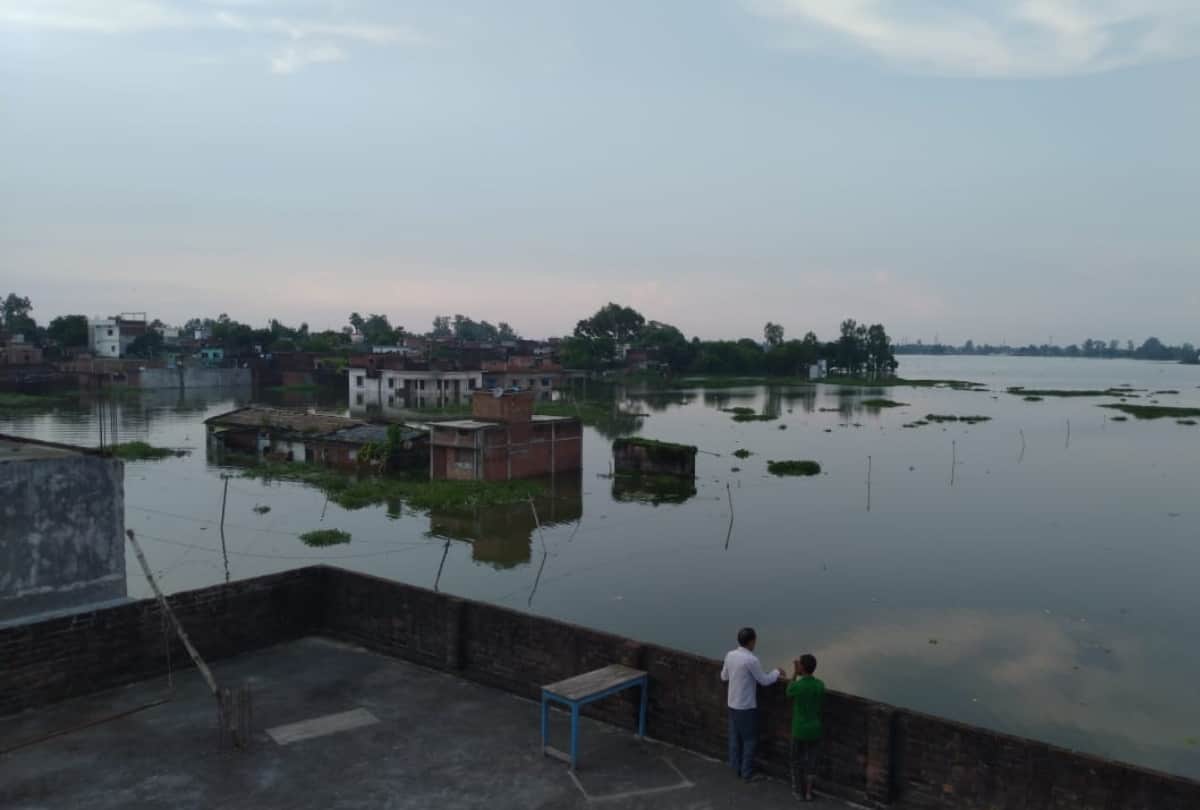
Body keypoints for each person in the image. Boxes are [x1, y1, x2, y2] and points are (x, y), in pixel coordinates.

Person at [721, 627, 786, 782]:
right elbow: (764, 680)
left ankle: (735, 767)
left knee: (735, 738)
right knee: (750, 740)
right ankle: (747, 772)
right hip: (745, 706)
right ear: (751, 641)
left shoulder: (730, 655)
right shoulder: (751, 660)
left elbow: (724, 677)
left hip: (732, 703)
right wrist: (777, 672)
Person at [787, 653, 825, 802]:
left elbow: (788, 691)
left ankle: (798, 792)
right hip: (815, 729)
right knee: (812, 762)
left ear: (802, 667)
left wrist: (795, 673)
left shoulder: (798, 686)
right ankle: (809, 793)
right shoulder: (820, 685)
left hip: (799, 729)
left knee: (796, 761)